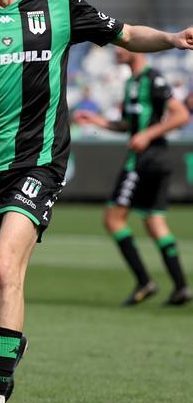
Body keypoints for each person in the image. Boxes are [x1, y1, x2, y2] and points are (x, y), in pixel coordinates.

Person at [0, 0, 193, 403]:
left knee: (7, 271)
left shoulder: (59, 6)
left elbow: (127, 34)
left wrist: (174, 39)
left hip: (40, 162)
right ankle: (10, 341)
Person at [74, 48, 191, 306]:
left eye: (120, 46)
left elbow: (181, 114)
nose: (115, 50)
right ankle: (181, 287)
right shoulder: (131, 83)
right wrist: (97, 121)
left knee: (113, 219)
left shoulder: (152, 78)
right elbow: (127, 125)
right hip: (150, 160)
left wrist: (148, 135)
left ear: (136, 50)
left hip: (145, 161)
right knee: (154, 221)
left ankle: (144, 281)